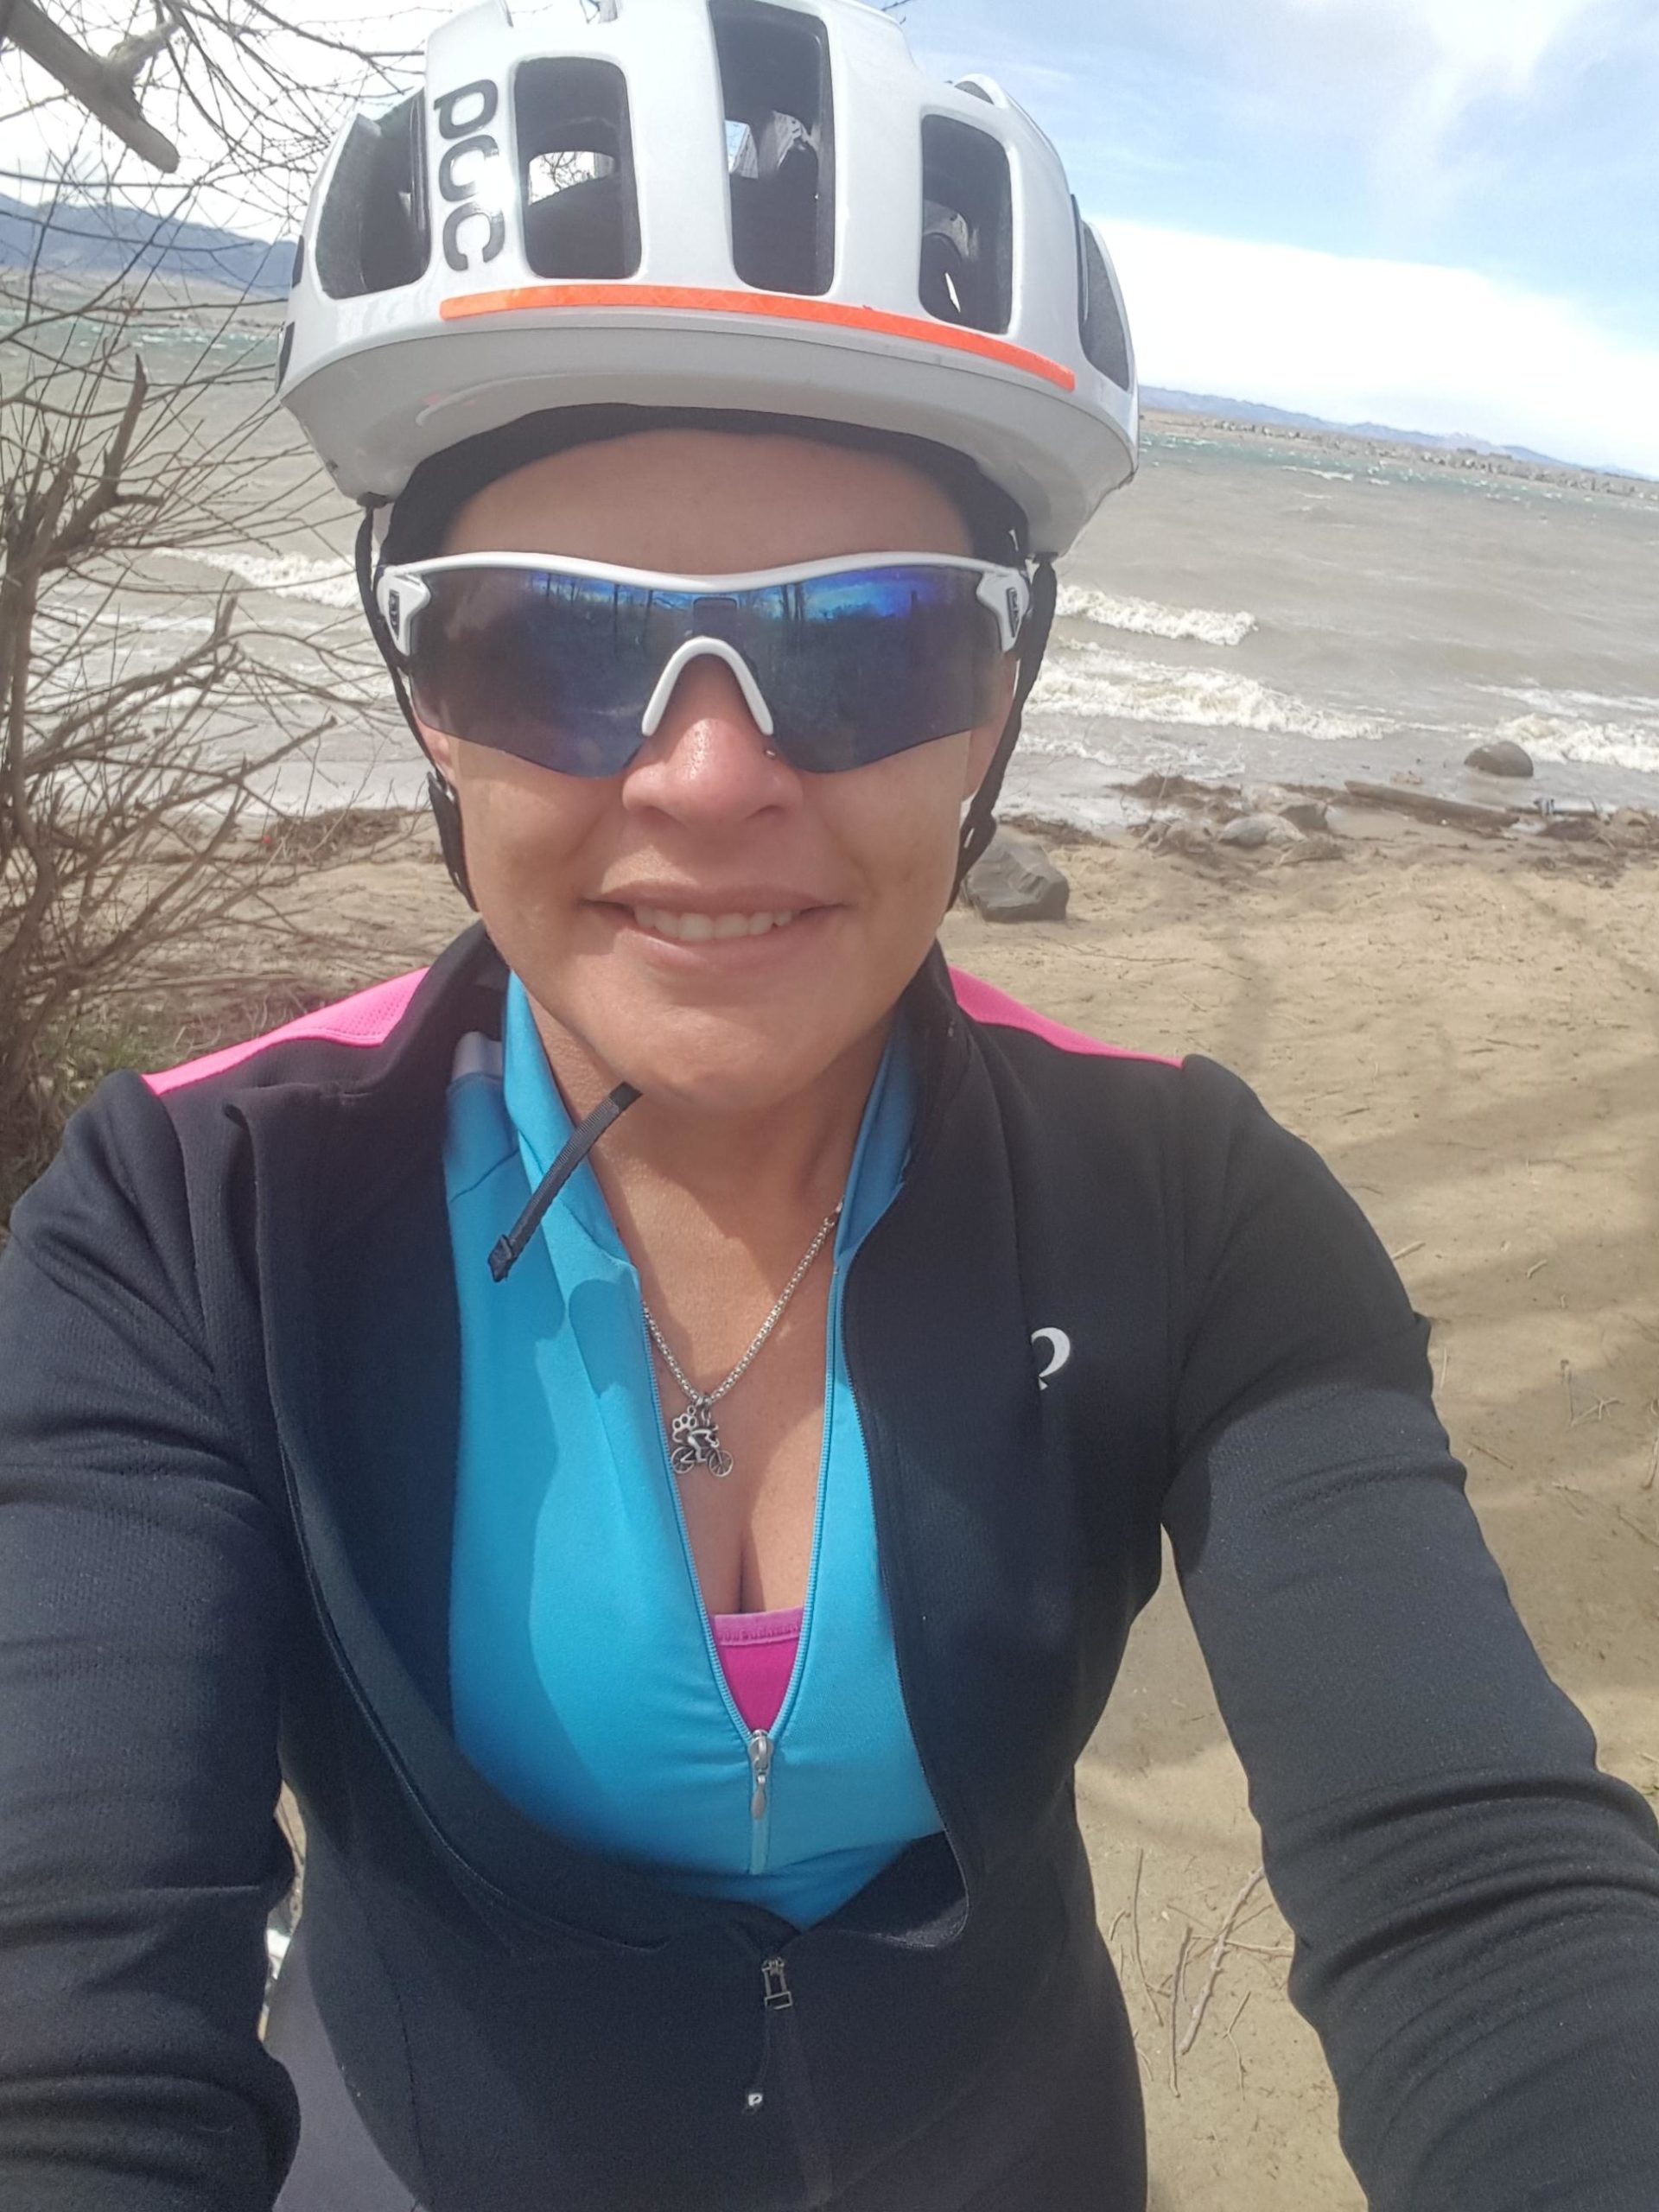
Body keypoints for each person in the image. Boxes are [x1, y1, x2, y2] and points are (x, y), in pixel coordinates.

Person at [3, 3, 1658, 2209]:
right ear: (423, 689)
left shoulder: (1188, 1205)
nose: (707, 774)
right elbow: (64, 1999)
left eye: (870, 635)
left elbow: (1488, 1893)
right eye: (553, 640)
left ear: (1003, 691)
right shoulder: (193, 1213)